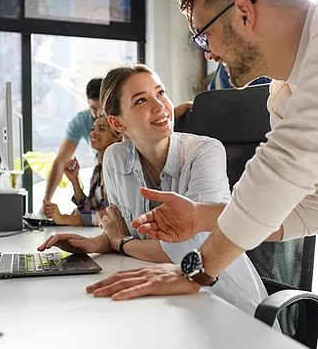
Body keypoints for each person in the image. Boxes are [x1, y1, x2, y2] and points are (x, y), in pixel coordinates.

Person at [85, 0, 318, 301]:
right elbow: (307, 208)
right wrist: (200, 217)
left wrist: (195, 270)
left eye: (203, 36)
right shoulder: (282, 95)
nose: (207, 54)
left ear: (244, 14)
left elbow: (280, 170)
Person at [39, 64, 273, 317]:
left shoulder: (205, 152)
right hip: (164, 299)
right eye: (141, 100)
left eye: (161, 93)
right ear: (118, 123)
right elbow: (123, 230)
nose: (160, 106)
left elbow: (186, 252)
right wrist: (97, 243)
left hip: (227, 303)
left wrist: (120, 243)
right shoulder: (115, 158)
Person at [42, 116, 121, 226]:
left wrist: (64, 219)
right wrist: (74, 179)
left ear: (117, 136)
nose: (94, 133)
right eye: (92, 129)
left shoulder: (119, 170)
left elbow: (111, 214)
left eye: (102, 129)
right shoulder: (98, 171)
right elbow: (90, 207)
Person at [42, 78, 103, 208]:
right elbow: (60, 161)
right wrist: (47, 202)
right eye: (94, 108)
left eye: (103, 108)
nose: (99, 114)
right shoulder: (98, 172)